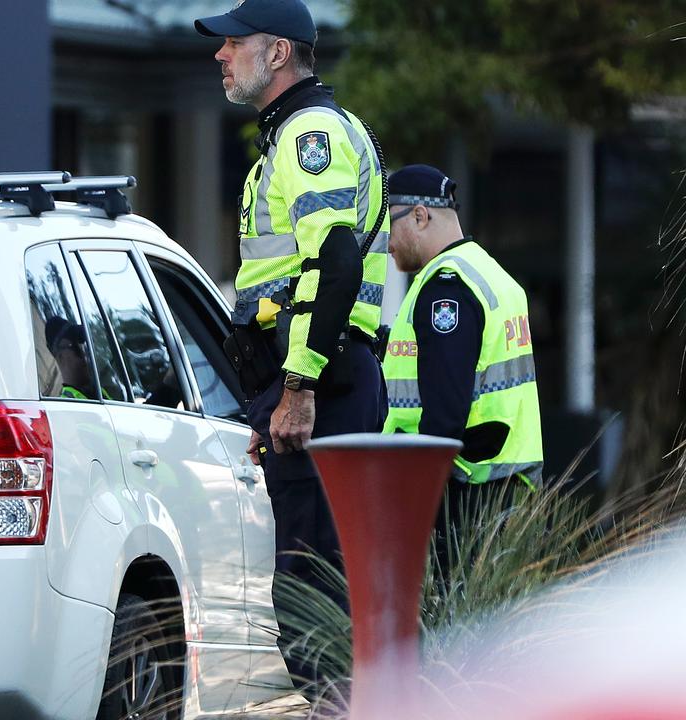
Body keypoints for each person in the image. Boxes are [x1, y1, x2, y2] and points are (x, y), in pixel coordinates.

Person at [195, 0, 390, 691]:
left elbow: (332, 263)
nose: (220, 55)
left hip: (323, 384)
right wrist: (277, 397)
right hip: (312, 385)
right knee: (313, 572)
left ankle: (336, 707)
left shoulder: (310, 134)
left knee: (312, 582)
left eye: (232, 44)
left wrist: (299, 389)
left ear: (276, 53)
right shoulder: (289, 138)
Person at [381, 164, 543, 568]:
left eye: (388, 228)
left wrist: (416, 502)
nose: (386, 245)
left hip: (466, 494)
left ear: (419, 216)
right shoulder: (490, 274)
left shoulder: (445, 289)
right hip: (505, 484)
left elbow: (444, 413)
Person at [45, 316, 105, 400]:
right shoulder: (69, 406)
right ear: (60, 357)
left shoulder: (99, 390)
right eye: (74, 346)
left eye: (81, 344)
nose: (83, 353)